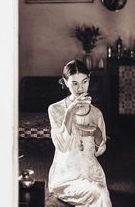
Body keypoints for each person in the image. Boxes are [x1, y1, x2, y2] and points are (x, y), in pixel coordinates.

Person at [48, 59, 112, 207]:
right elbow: (62, 146)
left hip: (92, 173)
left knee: (100, 191)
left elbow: (100, 151)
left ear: (89, 80)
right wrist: (69, 112)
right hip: (66, 175)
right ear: (65, 82)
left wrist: (97, 134)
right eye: (74, 83)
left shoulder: (96, 113)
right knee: (100, 194)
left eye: (84, 82)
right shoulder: (55, 109)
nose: (80, 88)